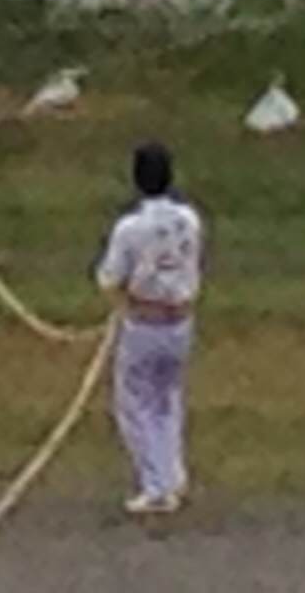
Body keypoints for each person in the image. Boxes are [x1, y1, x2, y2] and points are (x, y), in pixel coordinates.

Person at [95, 140, 205, 519]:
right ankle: (172, 474)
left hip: (145, 320)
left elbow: (110, 276)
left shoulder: (130, 228)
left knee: (135, 403)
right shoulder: (190, 219)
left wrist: (122, 297)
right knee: (168, 399)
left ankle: (157, 486)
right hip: (181, 319)